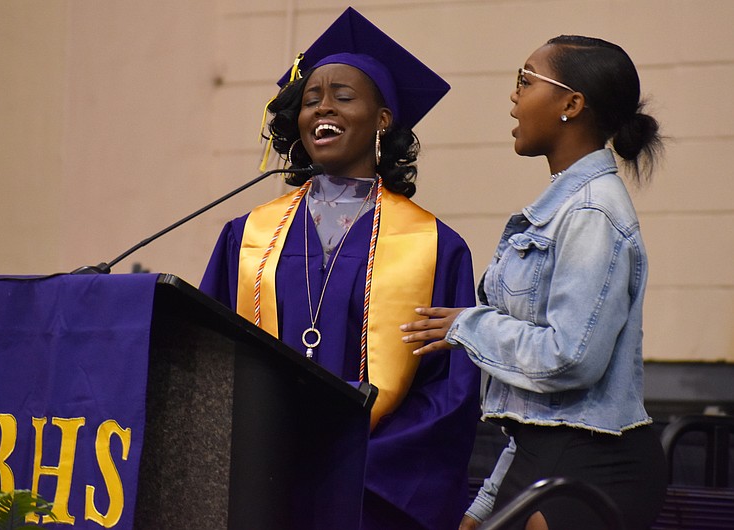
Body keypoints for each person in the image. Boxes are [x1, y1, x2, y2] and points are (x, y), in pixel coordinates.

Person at [200, 7, 481, 530]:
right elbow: (208, 357)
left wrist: (352, 465)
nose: (322, 108)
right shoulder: (247, 237)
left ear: (383, 119)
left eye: (343, 97)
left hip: (369, 492)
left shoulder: (436, 247)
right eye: (311, 100)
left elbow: (449, 390)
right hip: (257, 482)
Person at [401, 35, 667, 530]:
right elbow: (539, 420)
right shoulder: (564, 207)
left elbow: (570, 358)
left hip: (594, 466)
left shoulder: (592, 213)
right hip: (546, 456)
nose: (513, 96)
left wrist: (468, 326)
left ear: (571, 103)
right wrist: (483, 507)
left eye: (525, 80)